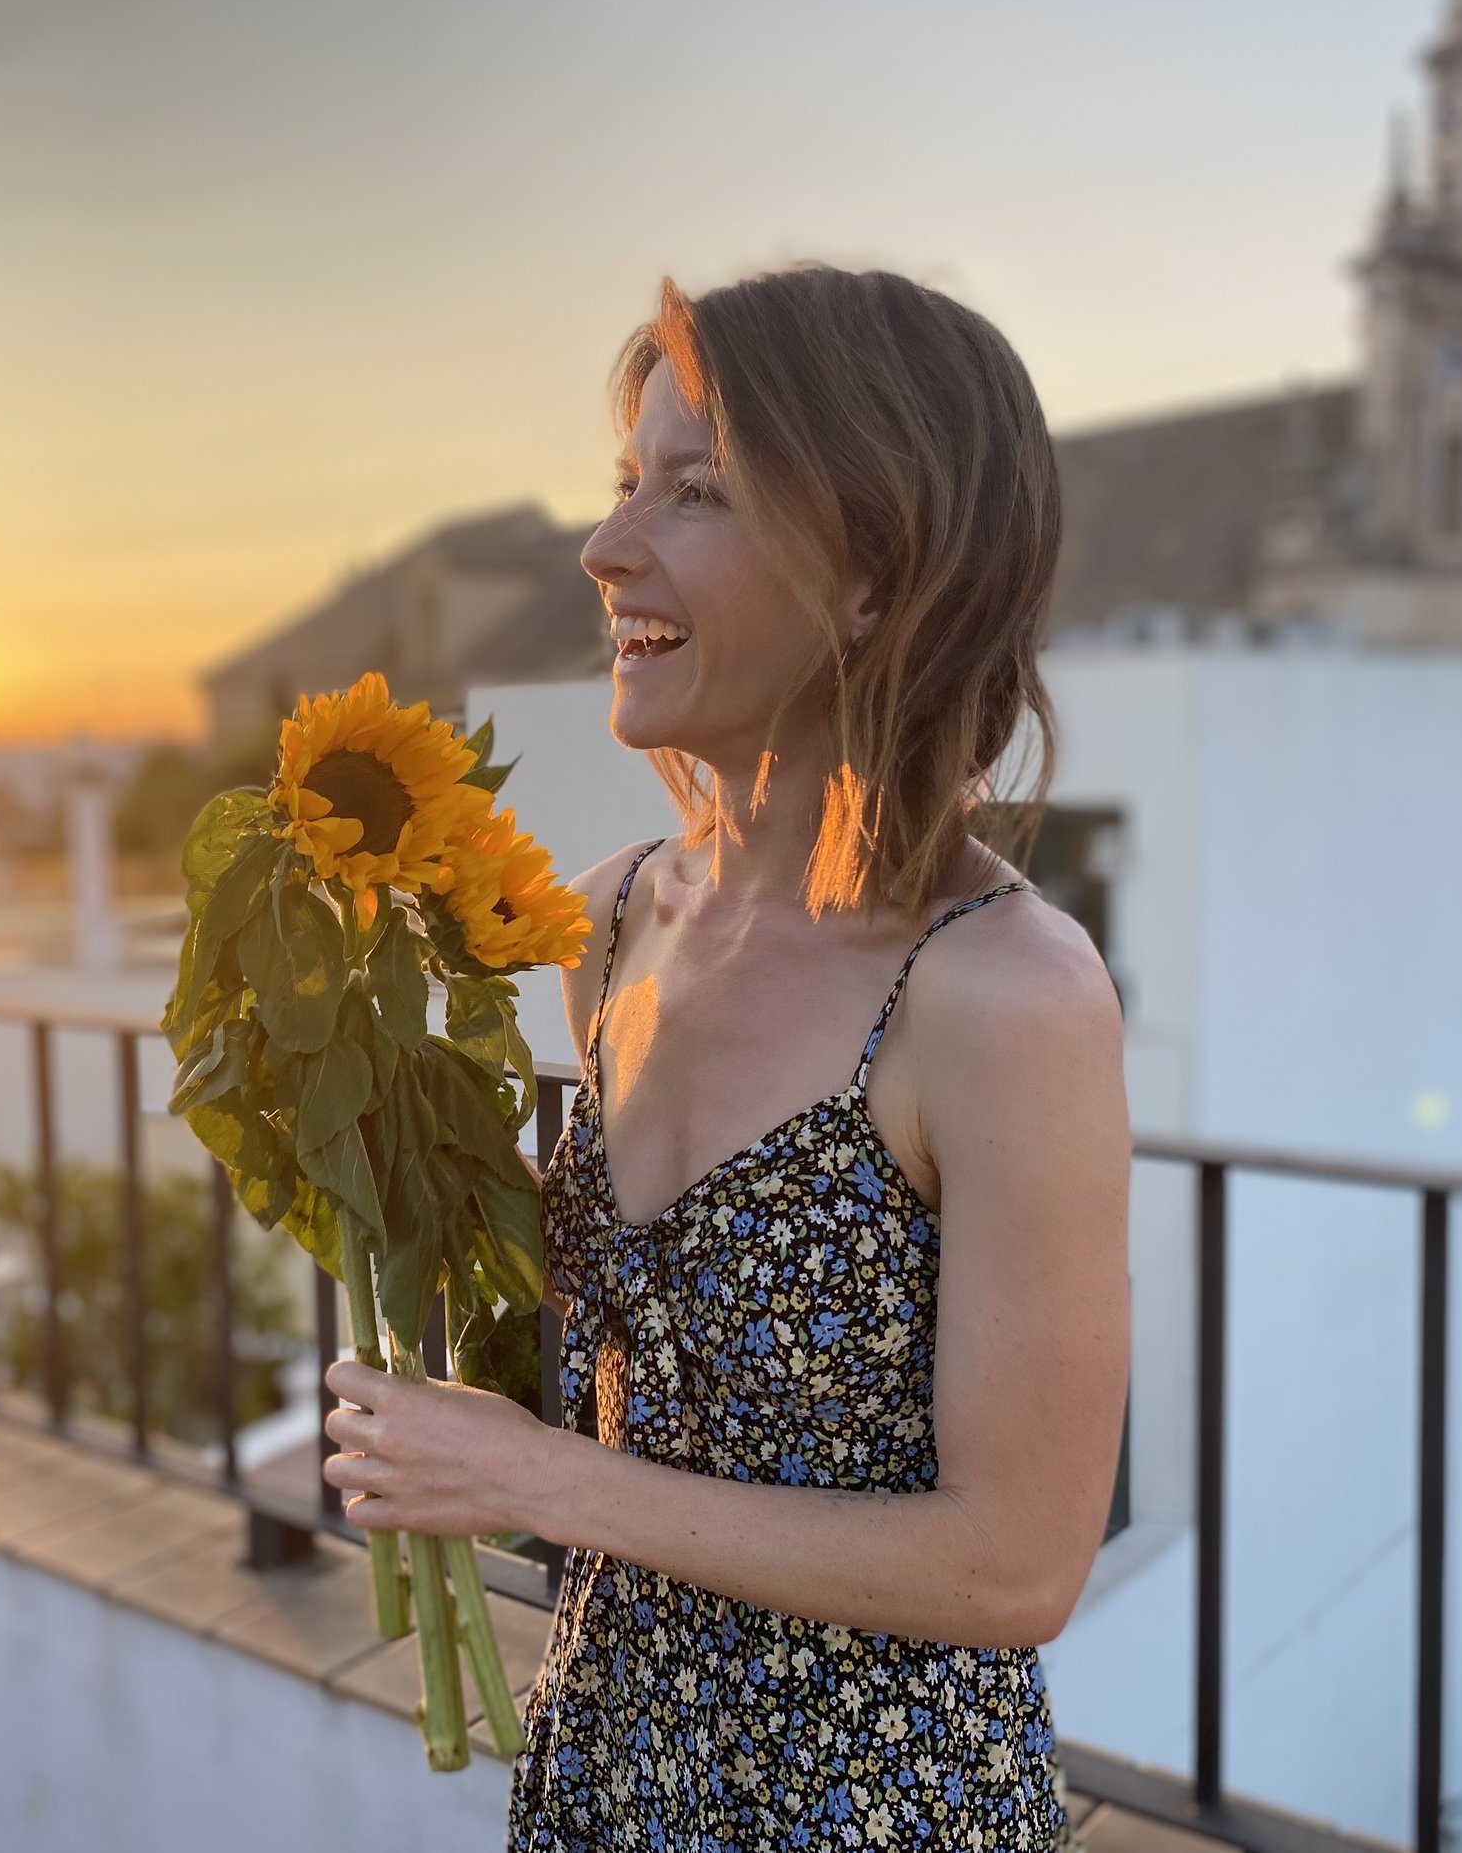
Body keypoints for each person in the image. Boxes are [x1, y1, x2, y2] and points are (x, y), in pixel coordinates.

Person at [321, 263, 1132, 1849]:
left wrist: (540, 1483)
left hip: (870, 1815)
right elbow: (639, 1387)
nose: (606, 547)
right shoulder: (614, 920)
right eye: (627, 482)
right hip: (602, 1776)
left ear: (876, 574)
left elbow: (1018, 1566)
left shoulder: (1000, 993)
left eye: (697, 493)